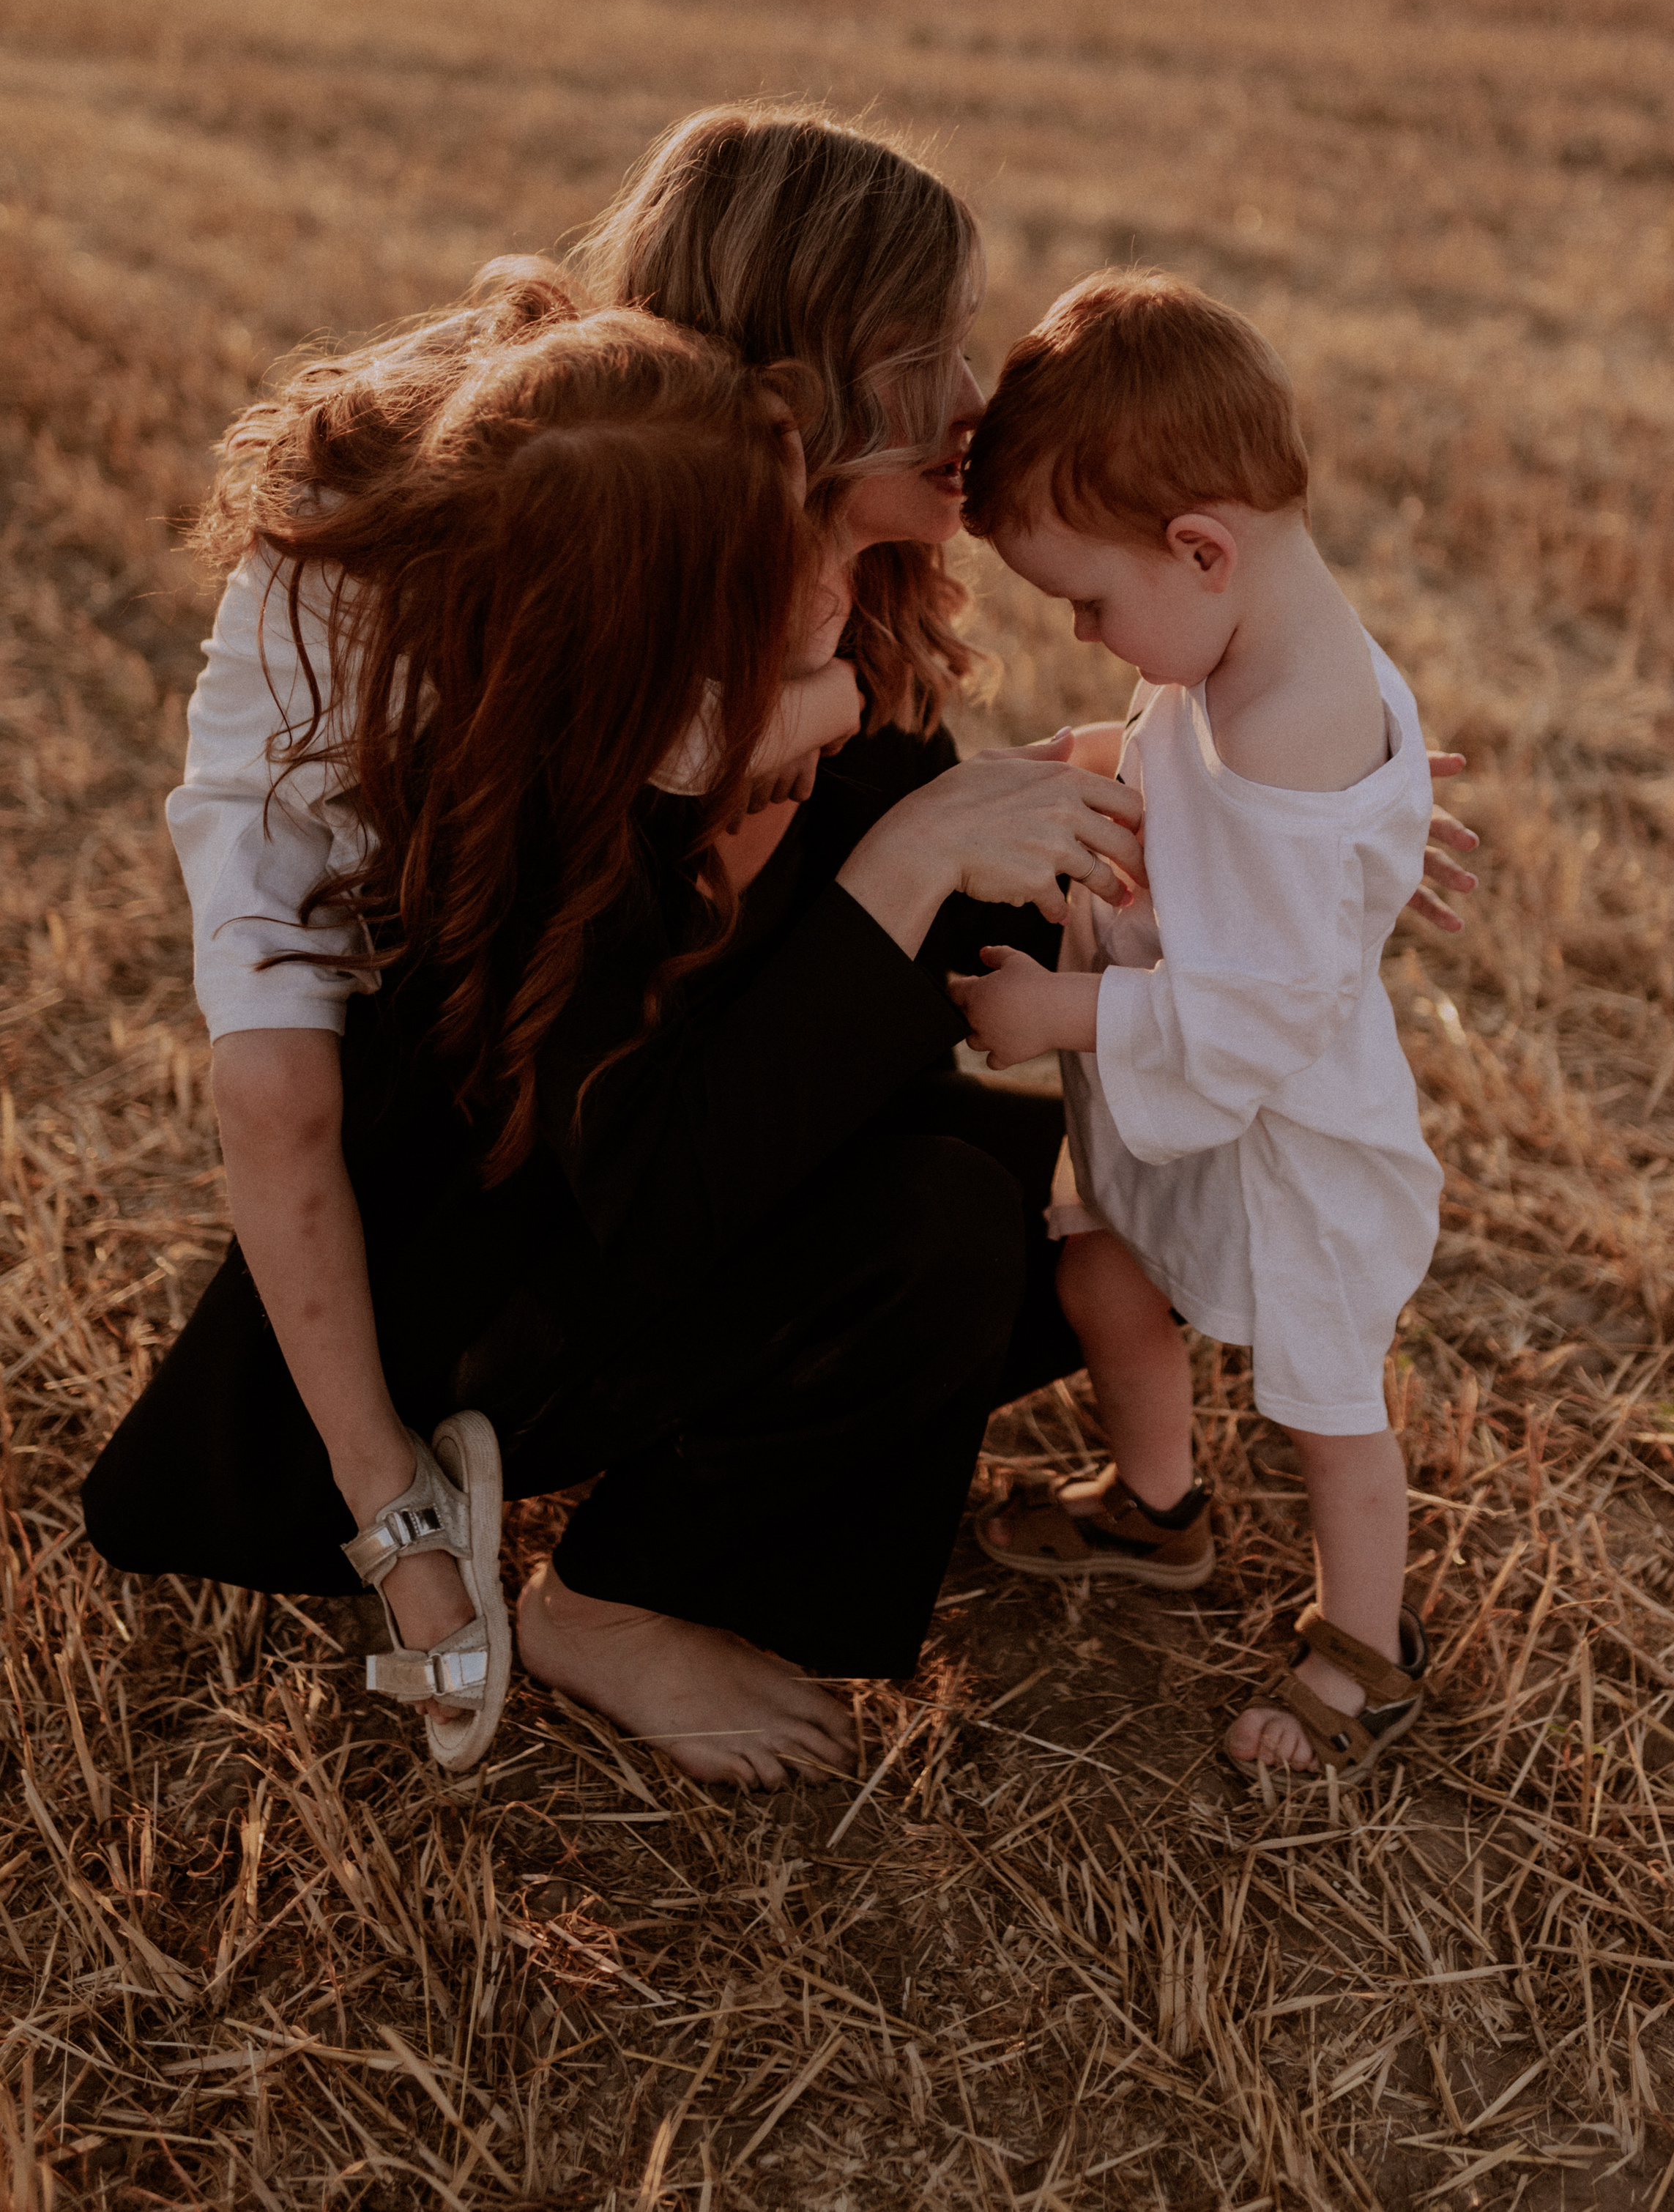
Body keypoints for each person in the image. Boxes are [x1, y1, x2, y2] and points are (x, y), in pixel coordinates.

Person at [86, 106, 1473, 1791]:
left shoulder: (829, 581)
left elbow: (968, 883)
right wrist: (395, 1512)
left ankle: (729, 1457)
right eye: (923, 355)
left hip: (678, 1135)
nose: (974, 401)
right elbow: (328, 1112)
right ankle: (613, 1596)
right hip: (496, 1228)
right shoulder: (482, 649)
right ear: (793, 393)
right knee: (945, 1228)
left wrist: (1291, 825)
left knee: (1027, 1228)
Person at [169, 263, 860, 1756]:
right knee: (280, 1100)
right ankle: (389, 1500)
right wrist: (811, 702)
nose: (816, 570)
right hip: (334, 798)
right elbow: (695, 736)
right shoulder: (326, 694)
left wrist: (815, 693)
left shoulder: (581, 480)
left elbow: (704, 729)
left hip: (505, 723)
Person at [956, 269, 1444, 1780]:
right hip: (1209, 1131)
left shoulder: (1295, 720)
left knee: (1325, 1399)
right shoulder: (1236, 647)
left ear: (1199, 546)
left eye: (1091, 604)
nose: (1095, 634)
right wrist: (1102, 755)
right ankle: (1156, 1510)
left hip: (1292, 1148)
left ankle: (1365, 1650)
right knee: (1106, 1263)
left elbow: (1269, 1006)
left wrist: (1062, 1008)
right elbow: (1196, 782)